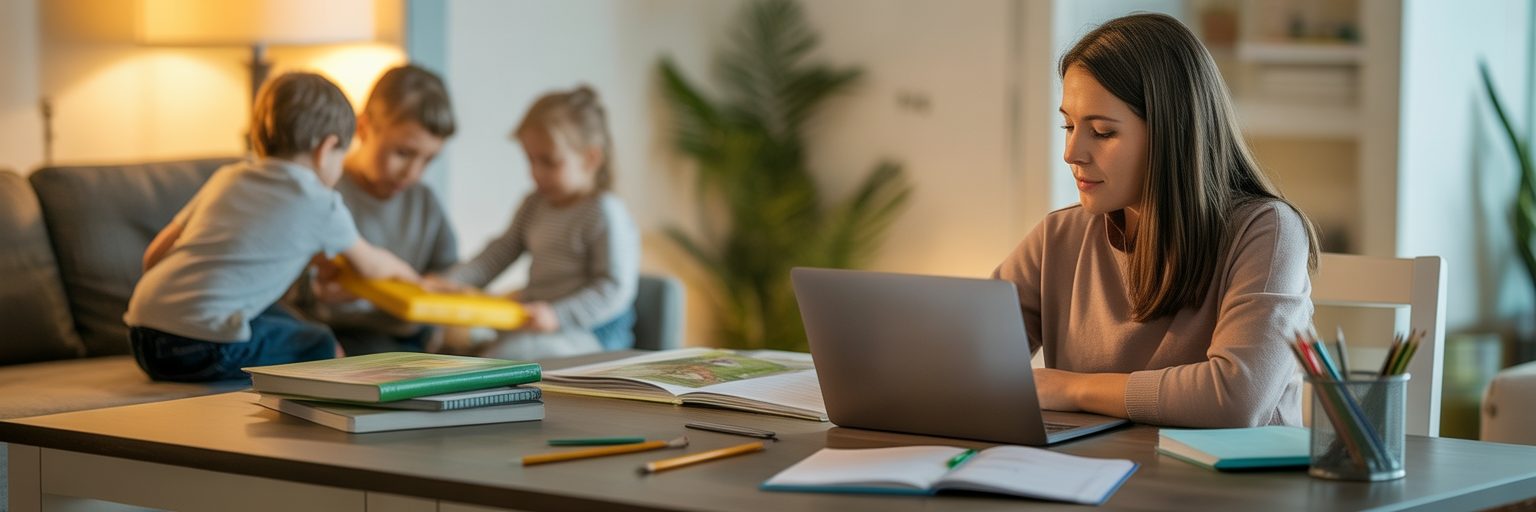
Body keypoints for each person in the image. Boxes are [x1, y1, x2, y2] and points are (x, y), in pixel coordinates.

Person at [993, 13, 1320, 428]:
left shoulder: (1267, 232)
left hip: (1230, 487)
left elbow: (1235, 398)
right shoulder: (1058, 236)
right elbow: (969, 361)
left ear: (1172, 133)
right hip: (1092, 476)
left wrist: (1073, 388)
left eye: (1102, 132)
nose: (1071, 152)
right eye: (1069, 125)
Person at [124, 72, 421, 382]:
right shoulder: (321, 202)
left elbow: (153, 257)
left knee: (277, 316)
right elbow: (371, 265)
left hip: (142, 334)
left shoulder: (229, 177)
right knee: (321, 343)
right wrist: (413, 278)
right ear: (326, 148)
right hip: (198, 347)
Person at [426, 86, 640, 360]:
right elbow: (498, 254)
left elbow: (614, 288)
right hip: (538, 321)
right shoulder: (535, 204)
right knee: (455, 344)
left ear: (591, 158)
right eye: (530, 160)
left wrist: (557, 315)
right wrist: (450, 281)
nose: (535, 173)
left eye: (549, 162)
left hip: (591, 332)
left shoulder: (604, 212)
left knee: (505, 356)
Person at [286, 64, 460, 355]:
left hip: (410, 335)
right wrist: (314, 290)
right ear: (364, 127)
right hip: (338, 333)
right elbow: (279, 275)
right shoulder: (323, 192)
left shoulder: (424, 200)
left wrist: (442, 295)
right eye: (403, 153)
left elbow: (448, 269)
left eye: (429, 160)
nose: (413, 173)